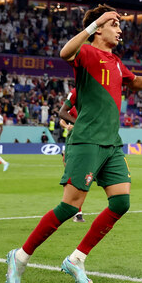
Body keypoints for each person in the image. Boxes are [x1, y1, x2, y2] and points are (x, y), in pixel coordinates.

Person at [5, 5, 142, 283]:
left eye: (119, 24)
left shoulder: (117, 61)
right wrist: (94, 24)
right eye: (114, 24)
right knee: (70, 206)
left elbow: (136, 83)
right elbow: (64, 53)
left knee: (121, 202)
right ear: (100, 26)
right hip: (86, 140)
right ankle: (19, 257)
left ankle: (76, 258)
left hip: (111, 143)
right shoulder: (85, 52)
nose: (119, 29)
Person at [57, 89, 86, 222]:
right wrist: (67, 127)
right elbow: (62, 120)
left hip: (89, 140)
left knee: (84, 176)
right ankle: (77, 212)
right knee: (73, 173)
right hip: (73, 140)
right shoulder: (73, 105)